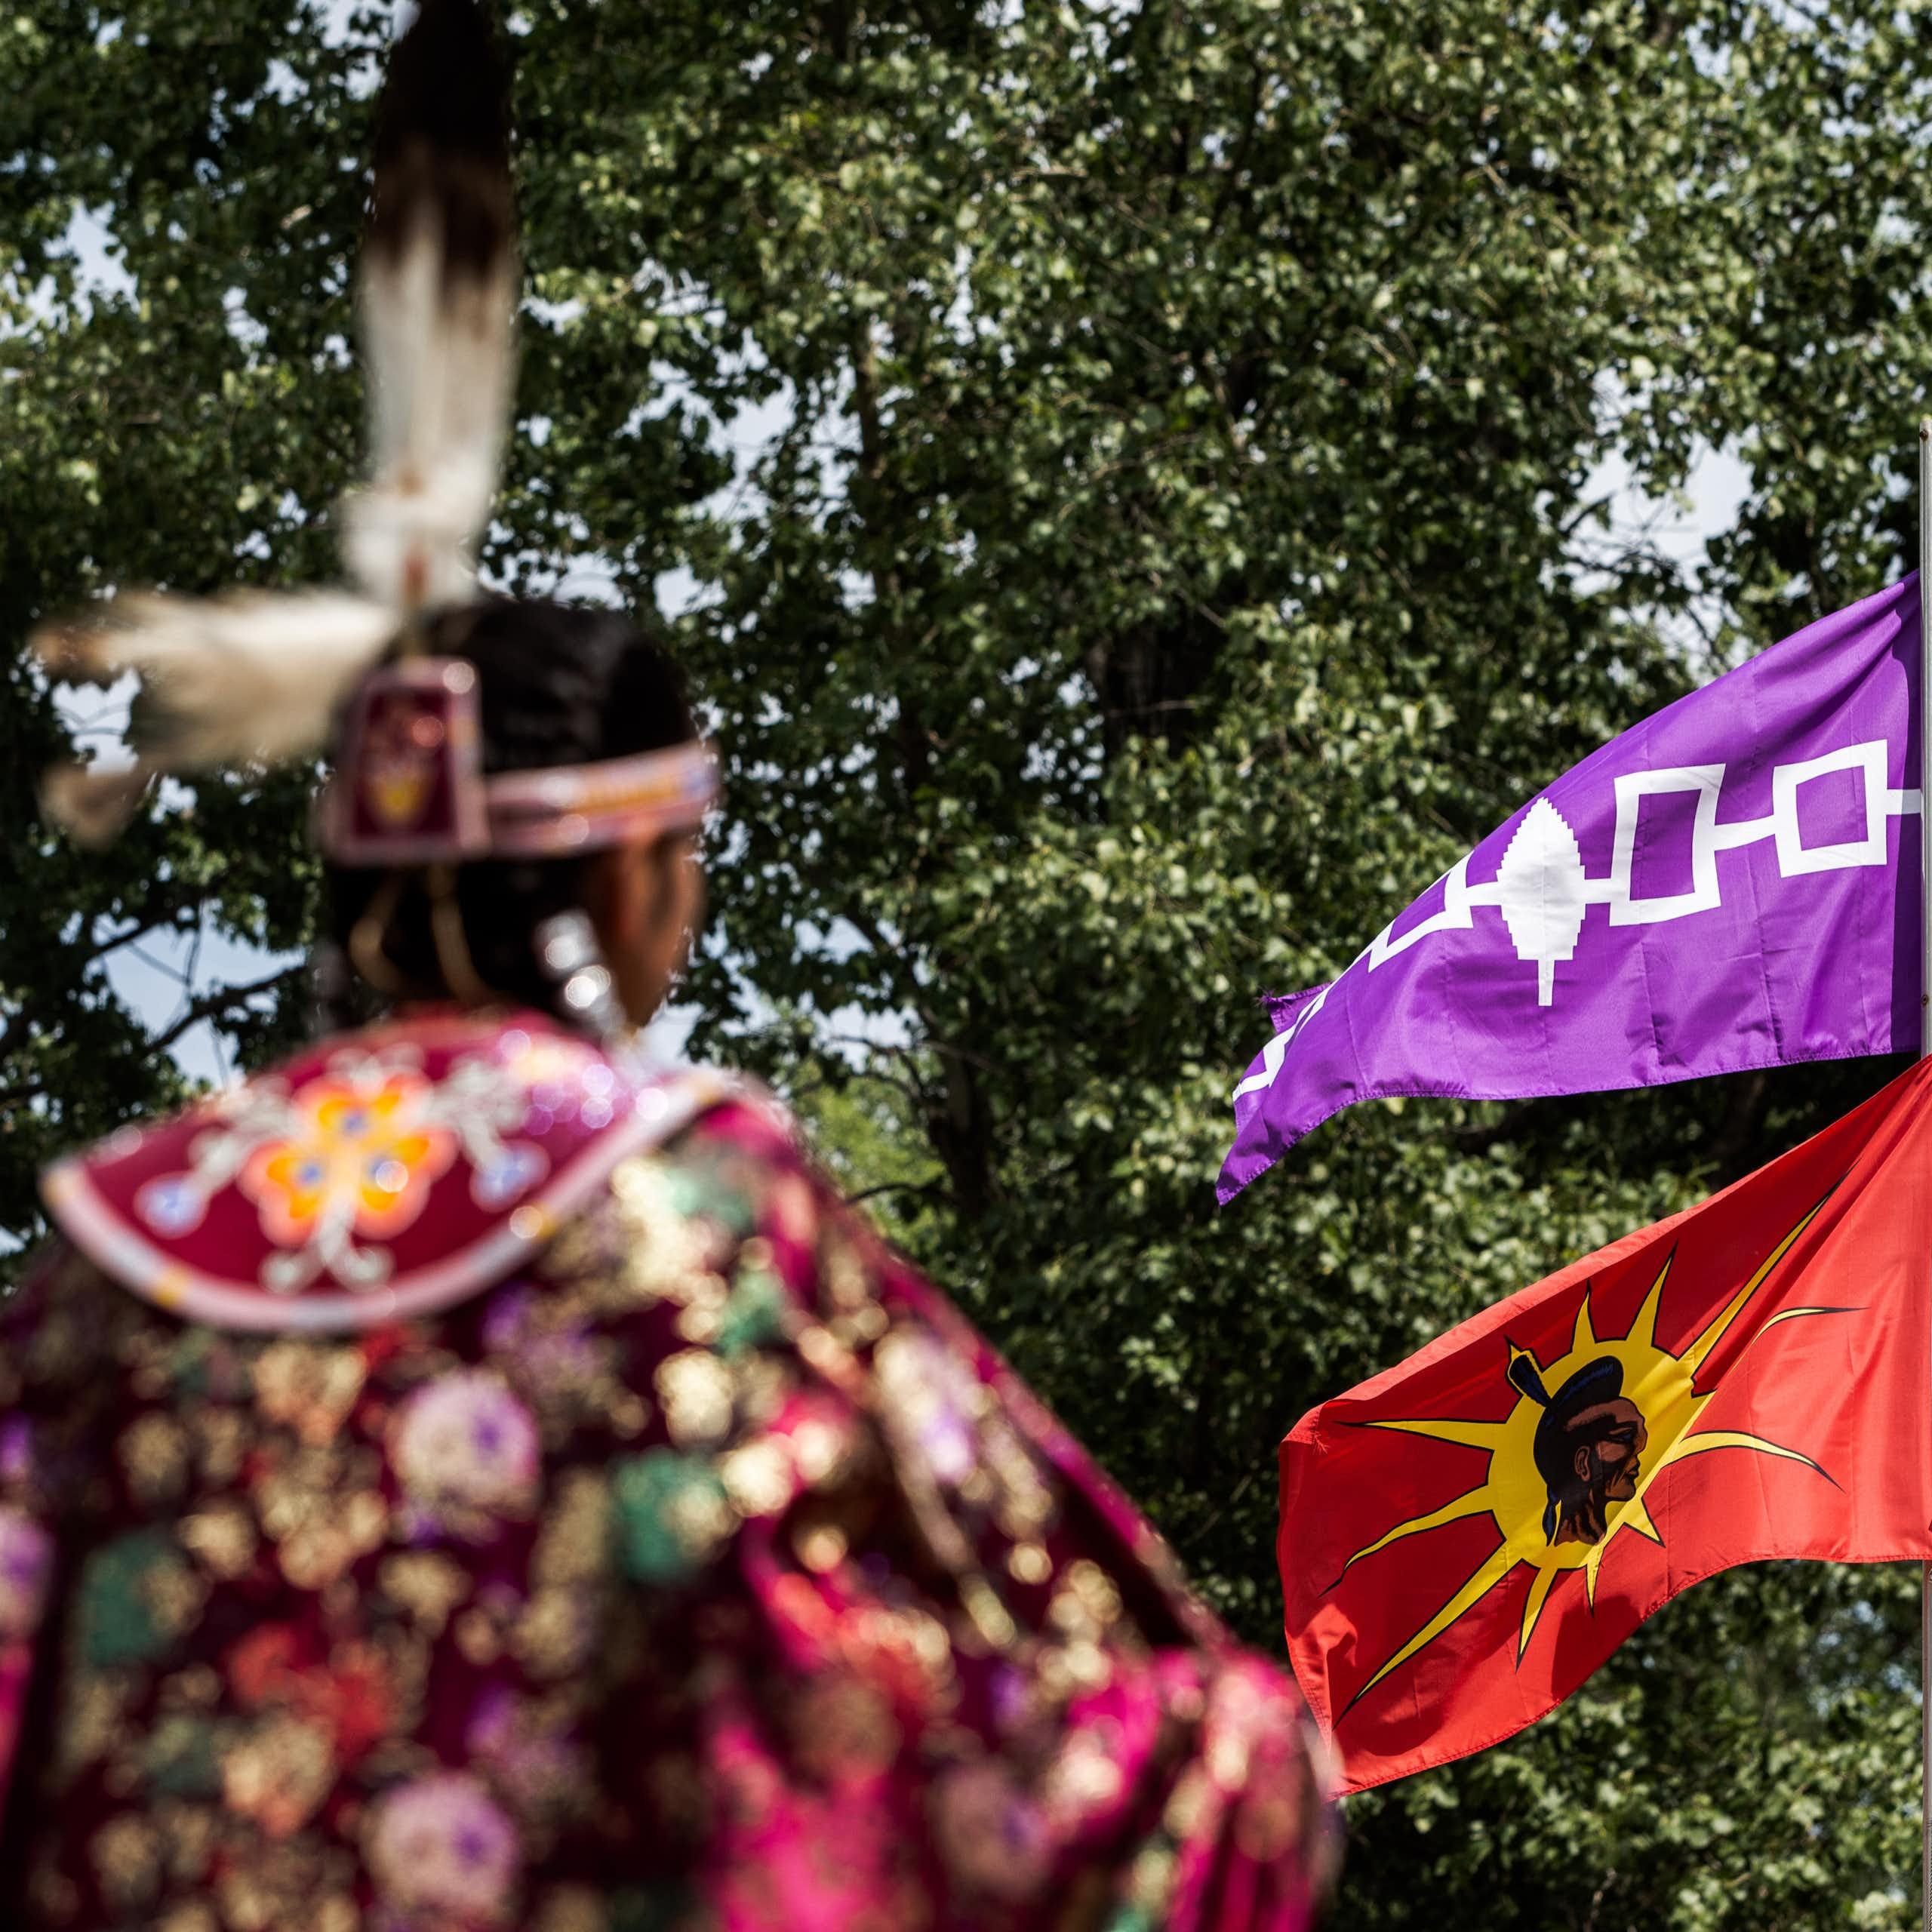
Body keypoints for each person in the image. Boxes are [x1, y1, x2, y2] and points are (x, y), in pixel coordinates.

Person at [0, 7, 1340, 1927]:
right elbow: (983, 1737)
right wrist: (1243, 1767)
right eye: (687, 855)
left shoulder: (107, 1257)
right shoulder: (686, 1219)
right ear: (624, 871)